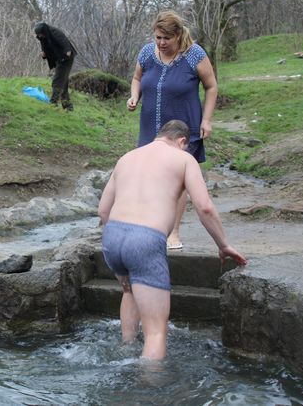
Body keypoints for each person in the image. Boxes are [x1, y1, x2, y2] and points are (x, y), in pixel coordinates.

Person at [98, 120, 247, 361]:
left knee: (129, 290)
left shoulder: (126, 158)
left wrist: (118, 240)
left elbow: (103, 210)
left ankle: (126, 348)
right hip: (145, 239)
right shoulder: (184, 159)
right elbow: (204, 207)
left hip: (112, 237)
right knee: (156, 332)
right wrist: (223, 245)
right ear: (182, 141)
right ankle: (150, 382)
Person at [126, 10, 218, 251]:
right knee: (148, 179)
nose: (161, 42)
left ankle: (173, 232)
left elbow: (211, 86)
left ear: (178, 35)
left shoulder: (194, 54)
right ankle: (150, 228)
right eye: (158, 37)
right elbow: (137, 78)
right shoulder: (147, 53)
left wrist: (207, 120)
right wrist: (134, 96)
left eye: (167, 38)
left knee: (176, 183)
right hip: (150, 128)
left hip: (182, 129)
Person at [34, 21, 77, 111]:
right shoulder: (43, 36)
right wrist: (43, 53)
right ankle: (67, 106)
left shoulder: (55, 32)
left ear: (44, 31)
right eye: (38, 34)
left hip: (66, 58)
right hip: (58, 58)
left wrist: (67, 50)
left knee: (57, 81)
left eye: (40, 34)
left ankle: (53, 102)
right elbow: (44, 47)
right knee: (63, 82)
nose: (40, 36)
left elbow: (64, 40)